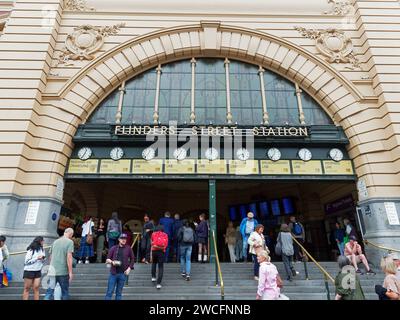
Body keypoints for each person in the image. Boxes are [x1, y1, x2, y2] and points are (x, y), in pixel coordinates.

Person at [44, 228, 74, 300]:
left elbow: (50, 257)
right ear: (71, 234)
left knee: (49, 292)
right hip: (63, 271)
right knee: (64, 293)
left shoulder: (55, 242)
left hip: (52, 271)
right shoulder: (70, 242)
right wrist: (70, 272)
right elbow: (69, 257)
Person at [105, 233, 135, 300]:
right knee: (109, 292)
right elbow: (107, 259)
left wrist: (129, 268)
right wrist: (112, 262)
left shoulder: (128, 248)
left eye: (125, 239)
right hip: (113, 273)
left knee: (119, 293)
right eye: (122, 238)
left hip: (123, 274)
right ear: (119, 239)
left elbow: (133, 259)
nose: (123, 240)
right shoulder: (113, 248)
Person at [151, 225, 169, 289]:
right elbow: (166, 245)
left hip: (154, 251)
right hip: (161, 252)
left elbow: (152, 242)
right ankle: (158, 283)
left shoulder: (153, 234)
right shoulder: (165, 235)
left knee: (154, 263)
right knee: (160, 267)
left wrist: (155, 247)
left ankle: (153, 277)